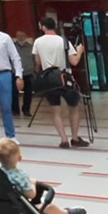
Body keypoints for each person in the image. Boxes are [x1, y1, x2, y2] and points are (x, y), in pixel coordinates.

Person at [0, 139, 86, 214]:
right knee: (49, 208)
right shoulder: (19, 176)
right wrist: (32, 183)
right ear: (20, 157)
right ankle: (66, 213)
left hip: (3, 209)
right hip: (21, 210)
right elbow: (31, 195)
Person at [31, 16, 86, 148]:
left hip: (49, 79)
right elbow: (74, 61)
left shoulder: (38, 42)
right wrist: (79, 51)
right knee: (73, 108)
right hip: (65, 77)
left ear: (43, 26)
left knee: (55, 111)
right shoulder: (63, 41)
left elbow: (37, 62)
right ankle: (75, 138)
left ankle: (63, 140)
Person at [13, 31, 36, 117]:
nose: (20, 37)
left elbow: (34, 59)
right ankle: (15, 110)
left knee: (28, 93)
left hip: (28, 72)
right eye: (18, 35)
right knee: (14, 92)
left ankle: (26, 110)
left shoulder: (31, 47)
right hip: (15, 73)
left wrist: (35, 70)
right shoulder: (12, 47)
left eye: (22, 35)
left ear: (26, 36)